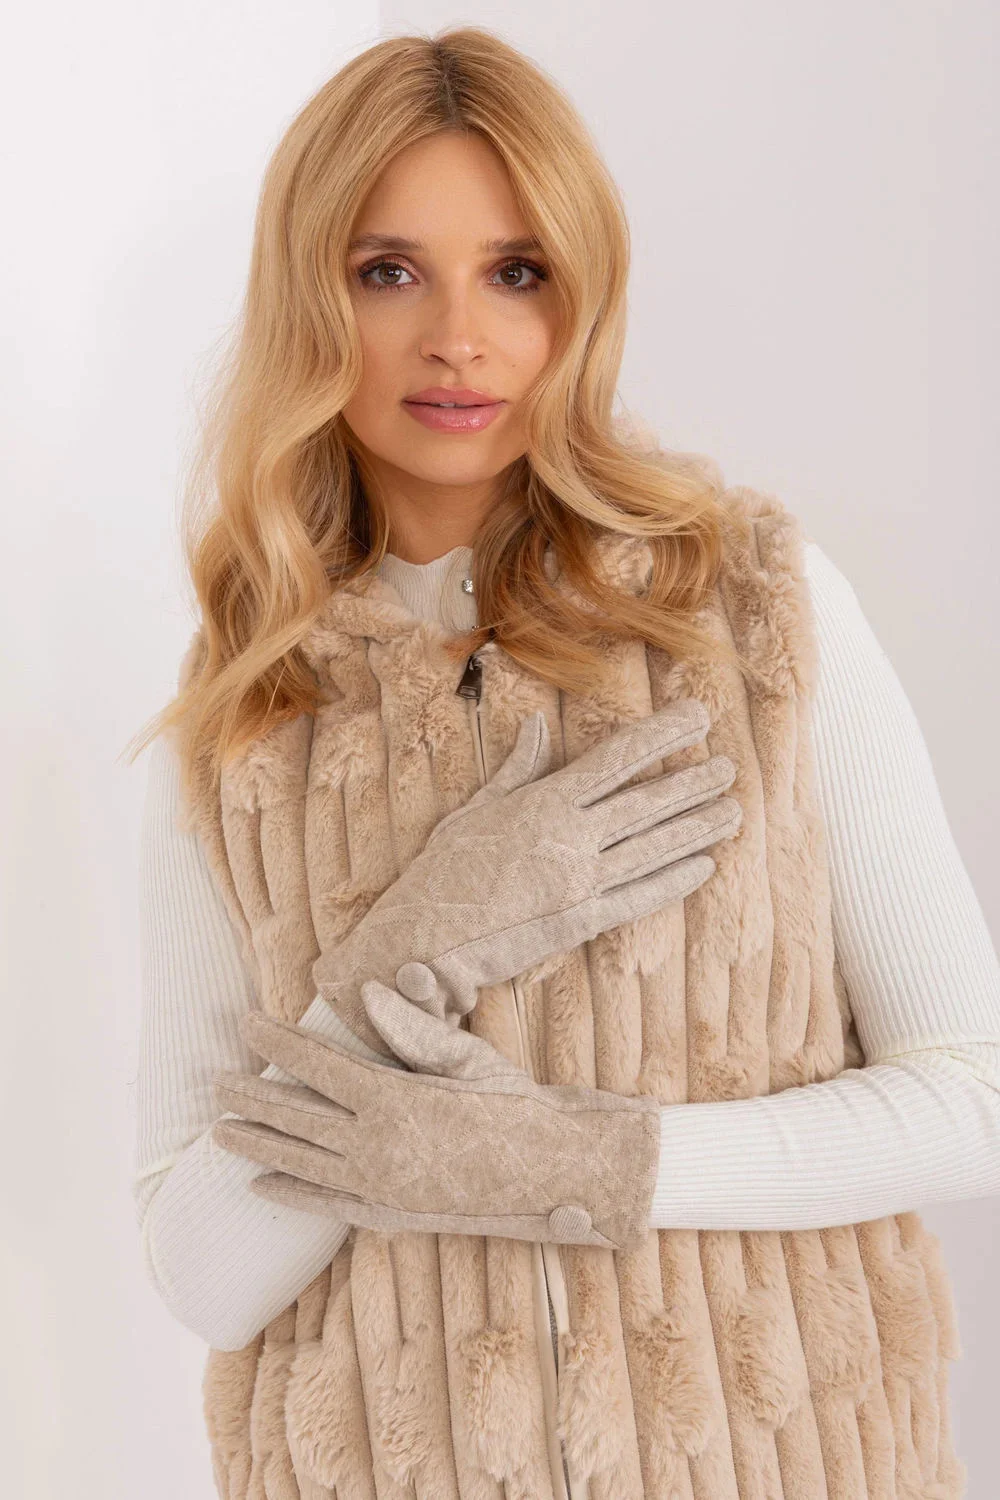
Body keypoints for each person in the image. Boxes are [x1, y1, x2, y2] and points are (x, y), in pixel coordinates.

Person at [130, 26, 1000, 1500]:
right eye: (387, 271)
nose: (457, 338)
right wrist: (402, 961)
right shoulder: (243, 721)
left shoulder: (759, 614)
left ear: (581, 295)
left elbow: (971, 1097)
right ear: (309, 298)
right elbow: (201, 1272)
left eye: (517, 271)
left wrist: (588, 1163)